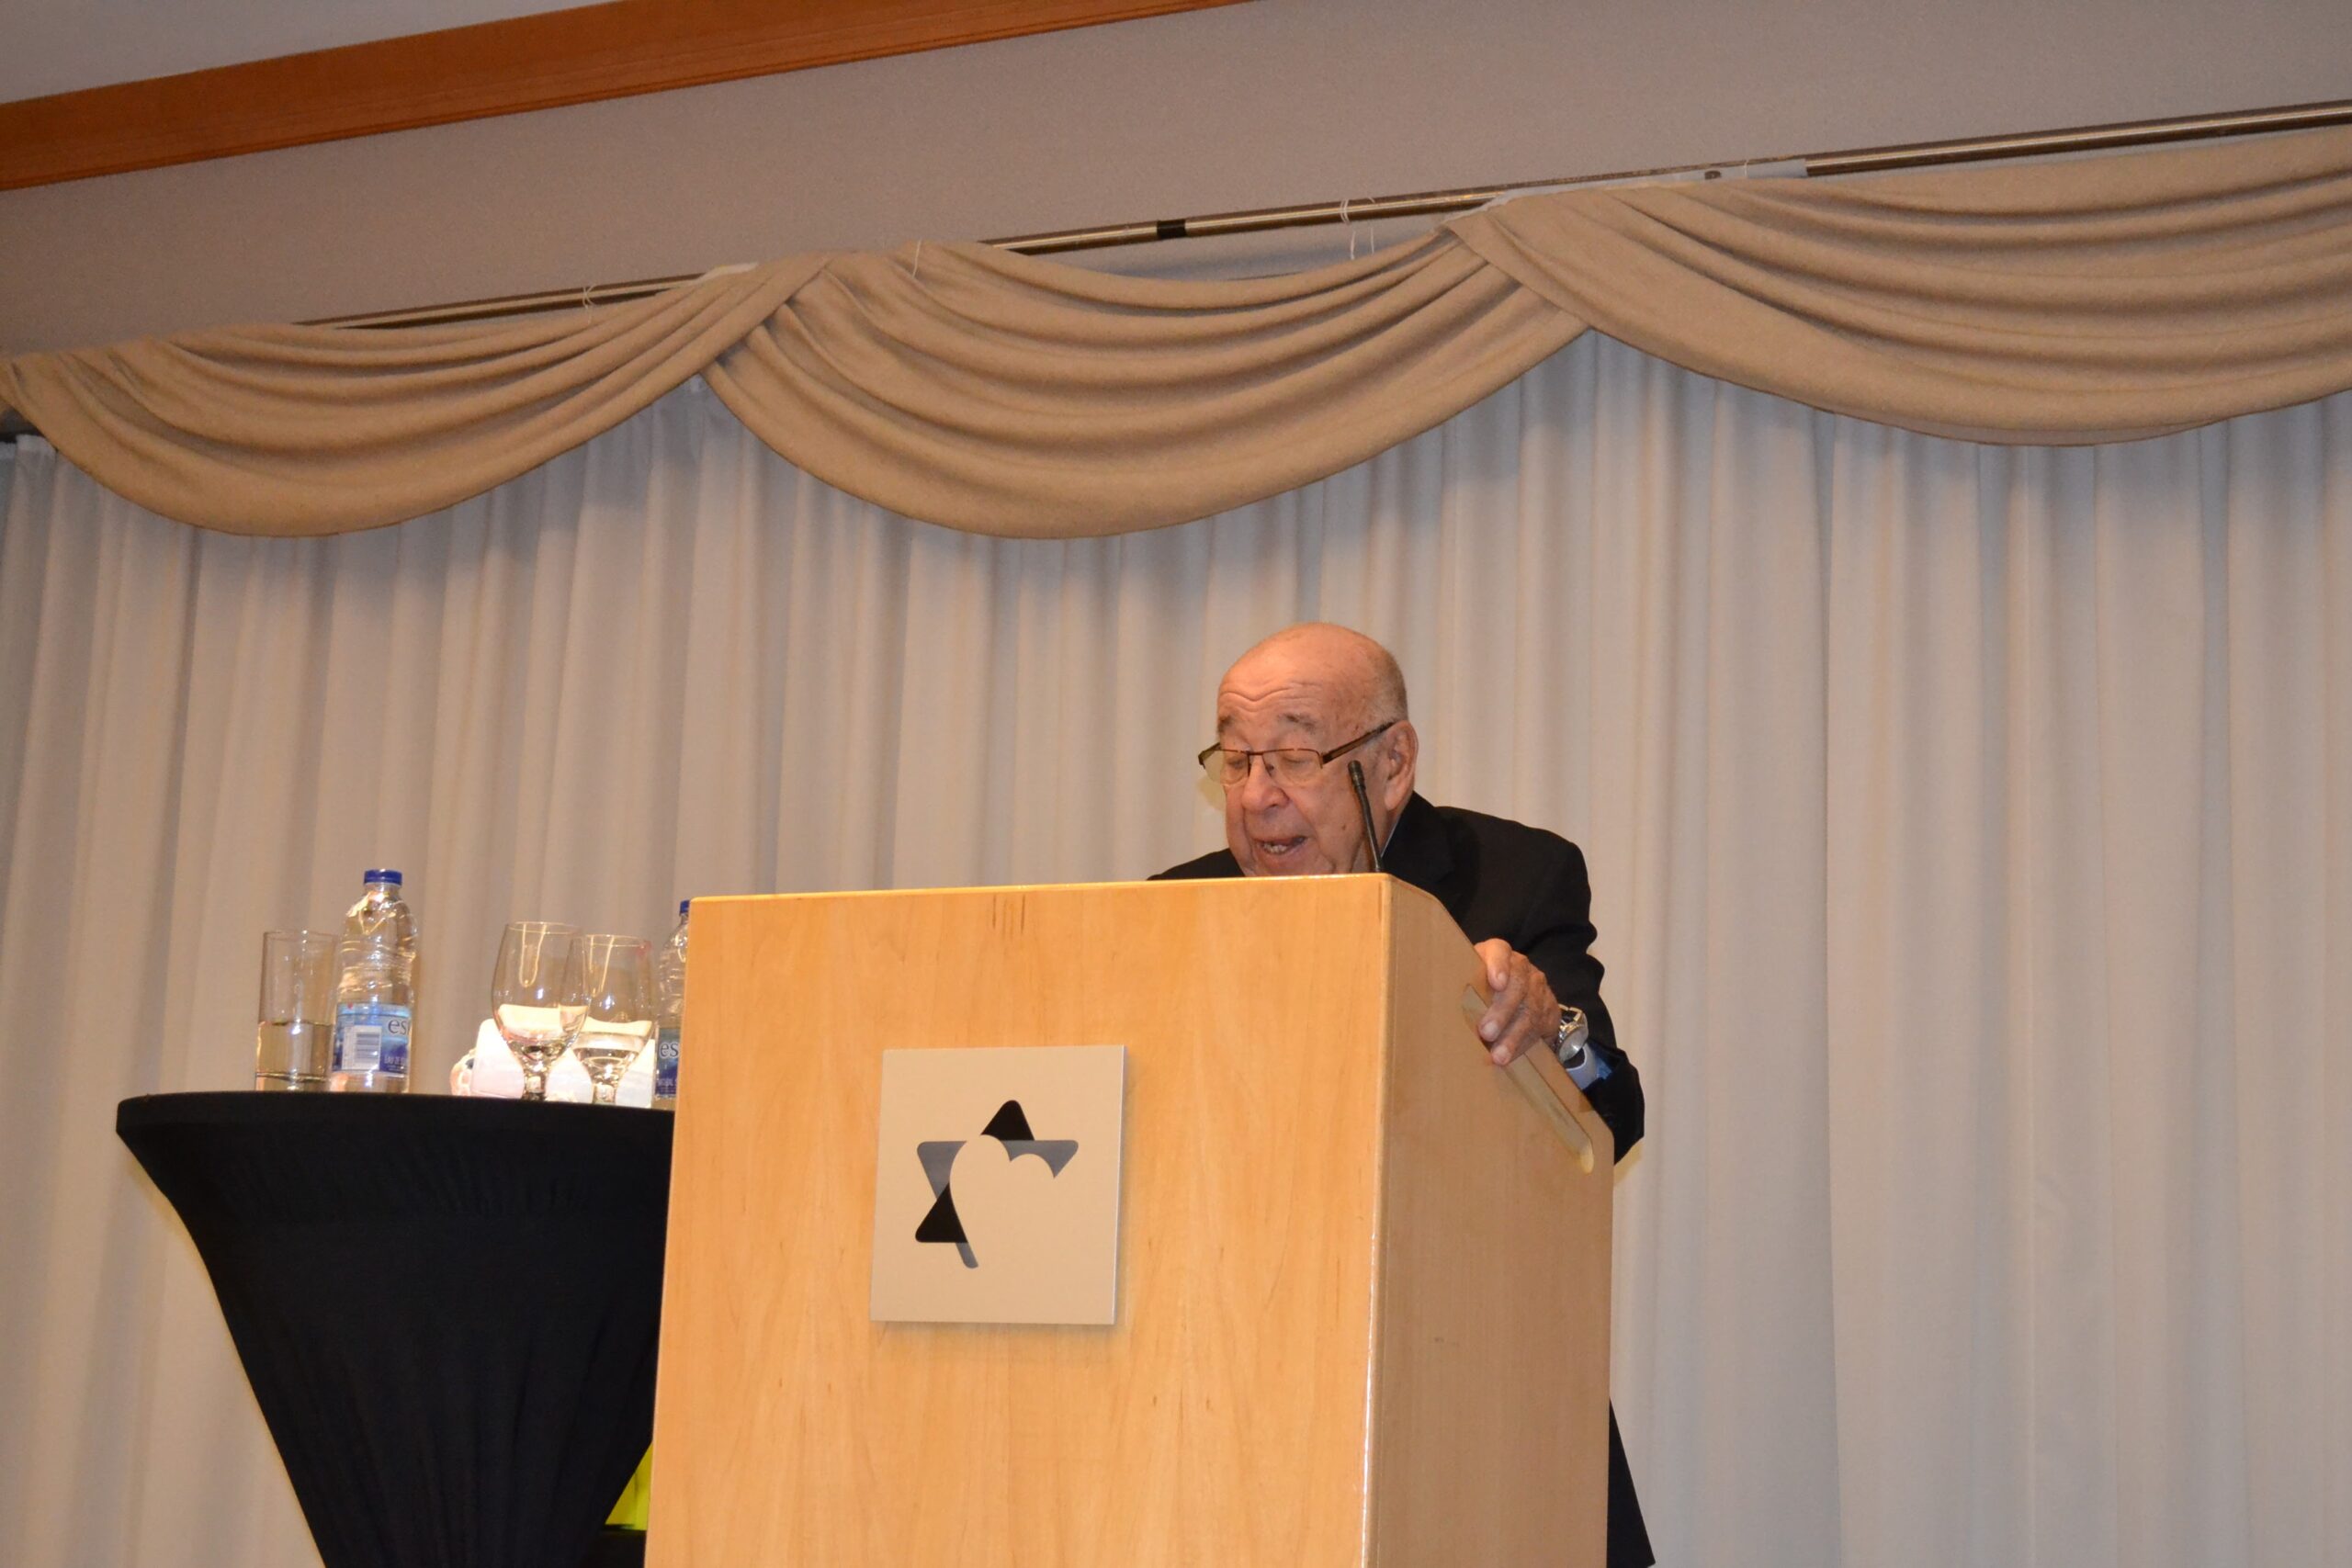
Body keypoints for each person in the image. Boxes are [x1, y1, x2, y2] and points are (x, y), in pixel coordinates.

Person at [1154, 622, 1652, 1568]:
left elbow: (1613, 1114)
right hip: (1245, 1391)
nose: (1256, 796)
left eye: (1294, 757)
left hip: (1476, 1389)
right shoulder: (1173, 910)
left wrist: (1552, 1027)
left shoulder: (1511, 876)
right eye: (1238, 759)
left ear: (1392, 764)